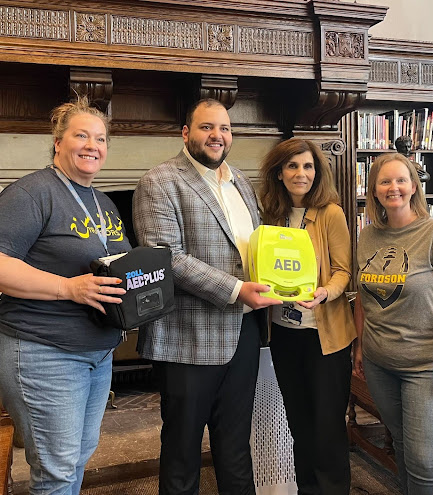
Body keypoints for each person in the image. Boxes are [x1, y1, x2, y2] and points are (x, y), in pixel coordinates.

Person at [0, 97, 132, 494]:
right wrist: (67, 288)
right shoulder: (31, 193)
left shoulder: (103, 201)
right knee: (56, 468)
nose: (92, 145)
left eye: (100, 138)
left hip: (96, 353)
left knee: (76, 456)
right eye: (81, 135)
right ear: (58, 142)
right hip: (42, 350)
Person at [132, 98, 282, 495]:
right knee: (182, 452)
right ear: (186, 133)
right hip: (187, 337)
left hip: (244, 332)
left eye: (225, 128)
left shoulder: (242, 184)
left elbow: (255, 249)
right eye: (206, 127)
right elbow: (166, 258)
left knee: (235, 446)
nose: (218, 135)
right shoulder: (159, 181)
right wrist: (237, 290)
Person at [353, 153, 433, 494]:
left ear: (414, 186)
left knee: (425, 462)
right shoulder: (369, 236)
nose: (394, 188)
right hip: (379, 364)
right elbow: (363, 295)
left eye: (401, 180)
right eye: (385, 181)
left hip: (426, 366)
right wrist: (361, 346)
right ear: (373, 190)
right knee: (404, 449)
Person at [259, 138, 356, 495]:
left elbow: (345, 270)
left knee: (327, 428)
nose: (301, 173)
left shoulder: (331, 213)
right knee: (298, 424)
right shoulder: (271, 215)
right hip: (285, 335)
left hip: (324, 337)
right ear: (279, 173)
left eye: (308, 166)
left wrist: (325, 291)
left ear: (317, 173)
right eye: (293, 166)